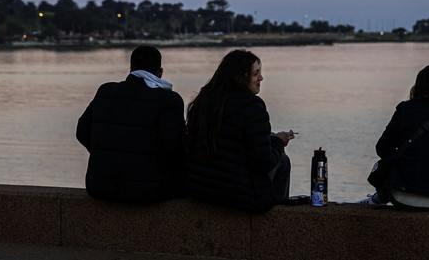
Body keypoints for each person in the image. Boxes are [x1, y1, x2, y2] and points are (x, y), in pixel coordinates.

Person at [184, 49, 295, 212]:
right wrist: (278, 142)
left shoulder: (203, 101)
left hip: (200, 189)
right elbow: (263, 162)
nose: (261, 78)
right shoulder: (253, 106)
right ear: (240, 78)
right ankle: (276, 217)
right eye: (256, 73)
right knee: (283, 161)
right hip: (238, 194)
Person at [76, 45, 185, 203]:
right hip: (148, 191)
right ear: (160, 72)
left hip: (99, 186)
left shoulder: (105, 91)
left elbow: (82, 131)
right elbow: (175, 147)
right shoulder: (169, 100)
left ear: (130, 68)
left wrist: (105, 152)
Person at [360, 65, 429, 210]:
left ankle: (379, 197)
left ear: (419, 86)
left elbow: (382, 149)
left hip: (403, 195)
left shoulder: (407, 109)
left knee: (391, 162)